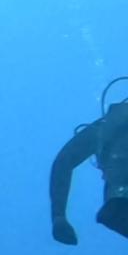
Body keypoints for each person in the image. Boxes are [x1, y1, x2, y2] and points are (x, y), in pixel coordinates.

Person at [50, 81, 128, 244]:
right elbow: (65, 159)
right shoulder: (115, 122)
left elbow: (64, 160)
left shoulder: (110, 124)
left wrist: (58, 215)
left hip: (117, 207)